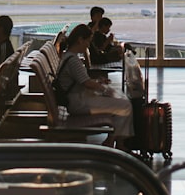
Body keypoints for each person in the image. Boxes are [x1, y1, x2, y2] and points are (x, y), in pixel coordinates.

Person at [56, 23, 134, 151]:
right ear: (80, 40)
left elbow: (82, 80)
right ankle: (114, 143)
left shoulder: (68, 57)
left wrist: (98, 81)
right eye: (88, 41)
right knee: (125, 105)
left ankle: (113, 141)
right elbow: (86, 83)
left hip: (77, 99)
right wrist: (105, 89)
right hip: (78, 102)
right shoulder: (73, 60)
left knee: (122, 104)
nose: (88, 45)